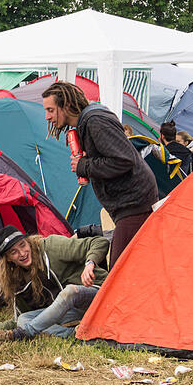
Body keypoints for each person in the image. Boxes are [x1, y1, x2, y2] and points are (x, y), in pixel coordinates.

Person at [41, 81, 157, 269]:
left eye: (51, 110)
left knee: (119, 272)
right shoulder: (88, 121)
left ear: (67, 106)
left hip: (134, 204)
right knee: (135, 268)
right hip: (129, 204)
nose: (47, 117)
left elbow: (124, 160)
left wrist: (84, 165)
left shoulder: (95, 121)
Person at [0, 225, 109, 343]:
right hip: (74, 311)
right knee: (24, 320)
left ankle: (20, 335)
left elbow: (99, 242)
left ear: (28, 241)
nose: (22, 253)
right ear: (8, 258)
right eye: (13, 252)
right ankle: (75, 336)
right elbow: (25, 316)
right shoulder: (18, 278)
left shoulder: (51, 247)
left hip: (99, 295)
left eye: (22, 245)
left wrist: (90, 263)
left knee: (70, 291)